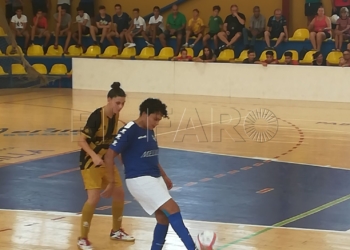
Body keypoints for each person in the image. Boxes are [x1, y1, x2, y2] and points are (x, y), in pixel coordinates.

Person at [102, 98, 202, 250]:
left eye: (159, 120)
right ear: (144, 113)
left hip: (154, 177)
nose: (157, 123)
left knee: (163, 218)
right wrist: (111, 182)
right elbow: (109, 156)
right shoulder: (129, 130)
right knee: (173, 209)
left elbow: (152, 156)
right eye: (155, 119)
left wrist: (164, 176)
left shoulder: (149, 131)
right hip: (139, 179)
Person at [77, 82, 135, 250]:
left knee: (119, 194)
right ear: (109, 99)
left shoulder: (115, 116)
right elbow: (81, 140)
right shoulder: (97, 116)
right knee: (94, 199)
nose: (120, 106)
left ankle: (116, 231)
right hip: (90, 162)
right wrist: (94, 156)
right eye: (117, 103)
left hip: (106, 161)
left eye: (123, 103)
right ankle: (82, 238)